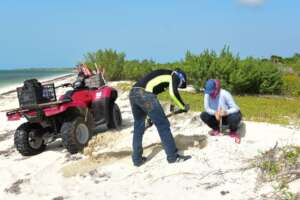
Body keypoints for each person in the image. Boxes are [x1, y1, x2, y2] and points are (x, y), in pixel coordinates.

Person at [129, 69, 191, 166]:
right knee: (163, 125)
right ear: (181, 78)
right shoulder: (175, 75)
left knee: (138, 127)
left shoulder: (163, 76)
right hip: (145, 94)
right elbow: (173, 93)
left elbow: (150, 102)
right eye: (180, 84)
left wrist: (151, 117)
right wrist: (183, 106)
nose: (178, 85)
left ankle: (137, 160)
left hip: (133, 93)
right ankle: (173, 157)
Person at [200, 79, 242, 143]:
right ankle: (216, 129)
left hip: (227, 115)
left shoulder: (225, 93)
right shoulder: (207, 94)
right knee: (203, 115)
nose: (210, 94)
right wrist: (215, 113)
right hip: (216, 116)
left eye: (212, 92)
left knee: (234, 117)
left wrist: (226, 112)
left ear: (217, 89)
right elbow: (207, 108)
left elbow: (236, 108)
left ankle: (233, 131)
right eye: (209, 92)